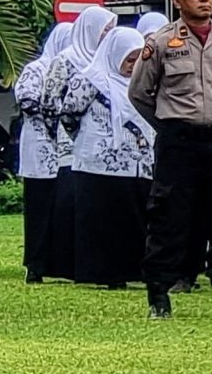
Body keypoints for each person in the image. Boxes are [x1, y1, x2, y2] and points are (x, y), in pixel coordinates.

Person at [126, 0, 212, 317]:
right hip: (178, 143)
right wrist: (168, 127)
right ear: (177, 0)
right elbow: (140, 94)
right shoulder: (160, 43)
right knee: (169, 219)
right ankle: (159, 294)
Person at [54, 24, 149, 289]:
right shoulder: (90, 80)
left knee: (133, 219)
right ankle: (104, 274)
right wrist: (90, 141)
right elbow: (69, 115)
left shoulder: (144, 83)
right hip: (97, 164)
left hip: (138, 165)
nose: (133, 66)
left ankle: (134, 270)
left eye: (138, 59)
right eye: (129, 59)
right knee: (102, 221)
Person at [10, 20, 72, 282]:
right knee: (39, 207)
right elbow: (25, 99)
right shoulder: (36, 69)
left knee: (63, 206)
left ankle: (61, 263)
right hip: (40, 146)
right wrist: (54, 116)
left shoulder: (78, 68)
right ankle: (35, 263)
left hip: (67, 150)